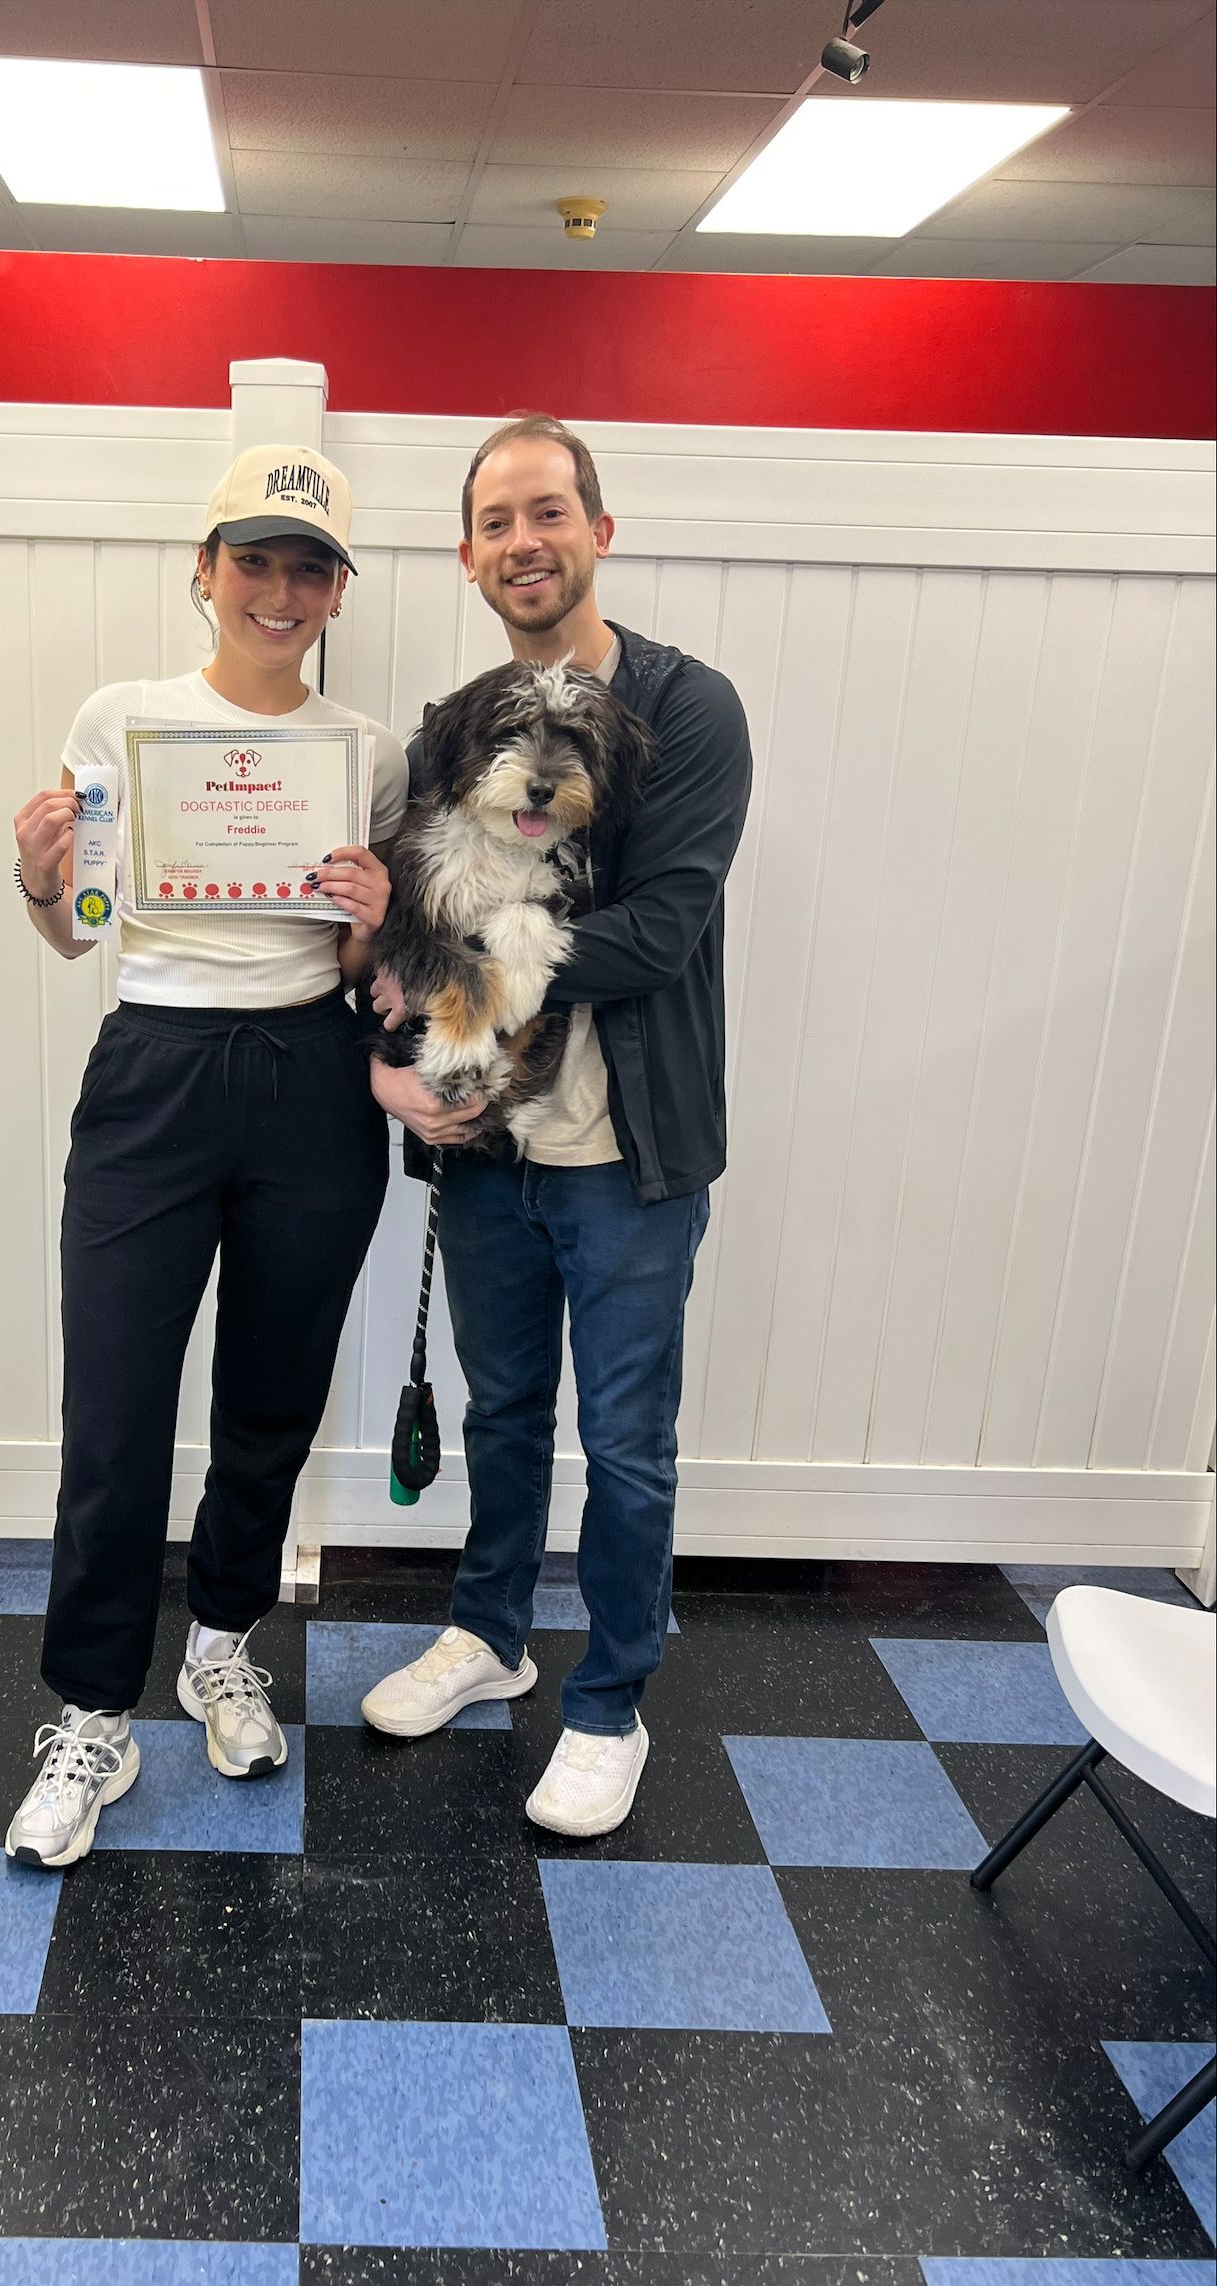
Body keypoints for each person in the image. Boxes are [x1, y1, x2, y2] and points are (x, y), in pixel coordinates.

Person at [6, 443, 405, 1868]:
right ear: (203, 571)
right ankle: (91, 1715)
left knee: (269, 1399)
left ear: (337, 591)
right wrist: (45, 872)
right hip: (155, 1070)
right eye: (255, 560)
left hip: (309, 1081)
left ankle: (223, 1645)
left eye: (309, 568)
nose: (280, 590)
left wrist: (370, 922)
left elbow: (374, 974)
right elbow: (75, 930)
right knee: (112, 1415)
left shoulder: (369, 753)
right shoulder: (124, 716)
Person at [362, 413, 752, 1838]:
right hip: (488, 1153)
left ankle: (609, 1705)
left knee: (629, 1441)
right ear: (468, 555)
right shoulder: (451, 726)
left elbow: (657, 929)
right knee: (502, 1410)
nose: (524, 541)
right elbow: (401, 932)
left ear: (599, 526)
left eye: (549, 511)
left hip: (627, 1154)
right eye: (496, 521)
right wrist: (395, 1058)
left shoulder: (687, 708)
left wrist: (497, 955)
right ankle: (491, 1636)